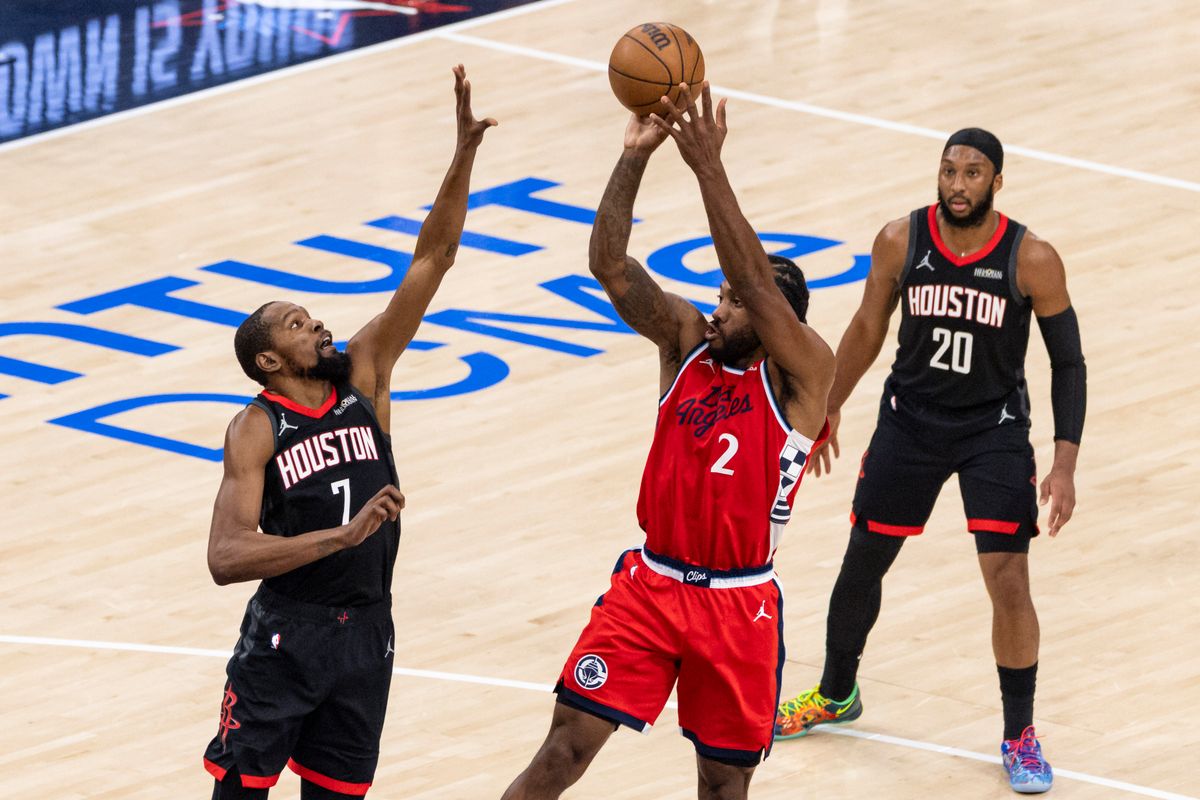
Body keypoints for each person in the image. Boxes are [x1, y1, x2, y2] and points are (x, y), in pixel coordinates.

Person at [503, 83, 834, 800]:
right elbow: (610, 266)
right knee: (561, 751)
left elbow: (759, 283)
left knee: (722, 786)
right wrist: (634, 158)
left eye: (734, 302)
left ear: (778, 322)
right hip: (650, 586)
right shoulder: (686, 344)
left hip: (738, 605)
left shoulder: (803, 376)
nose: (719, 308)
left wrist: (709, 167)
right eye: (719, 295)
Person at [200, 65, 495, 800]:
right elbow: (226, 556)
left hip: (367, 630)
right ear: (270, 362)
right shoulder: (256, 428)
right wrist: (343, 536)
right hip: (286, 633)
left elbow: (433, 260)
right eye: (298, 325)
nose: (318, 325)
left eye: (312, 316)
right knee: (239, 793)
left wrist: (462, 155)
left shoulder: (364, 374)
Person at [773, 128, 1086, 794]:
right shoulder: (900, 239)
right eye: (948, 171)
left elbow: (1068, 363)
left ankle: (1020, 734)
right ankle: (836, 693)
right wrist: (829, 406)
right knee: (864, 560)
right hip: (910, 422)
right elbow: (867, 326)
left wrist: (1064, 463)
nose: (957, 184)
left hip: (993, 430)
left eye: (972, 173)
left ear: (996, 182)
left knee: (1009, 578)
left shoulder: (1032, 258)